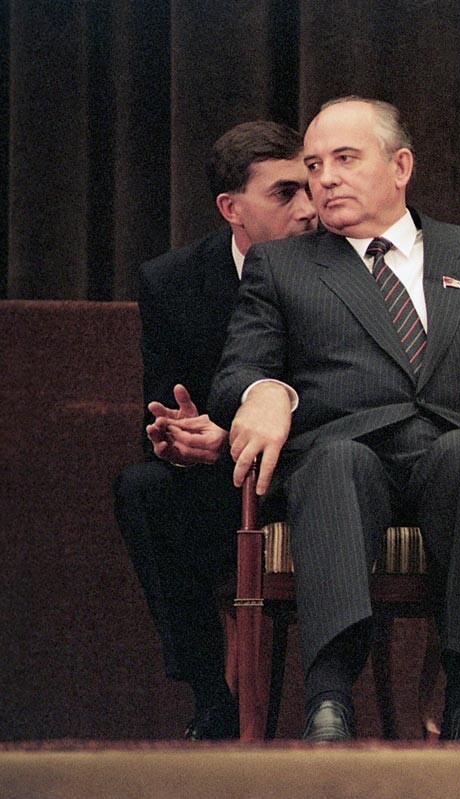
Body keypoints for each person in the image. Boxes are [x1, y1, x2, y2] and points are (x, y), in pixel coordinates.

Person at [206, 96, 460, 742]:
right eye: (315, 164)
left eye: (345, 158)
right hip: (343, 456)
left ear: (400, 166)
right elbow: (235, 372)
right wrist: (264, 391)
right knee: (337, 459)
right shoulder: (282, 266)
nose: (326, 177)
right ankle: (330, 698)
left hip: (456, 456)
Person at [113, 121, 316, 739]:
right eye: (286, 194)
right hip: (220, 478)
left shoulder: (343, 264)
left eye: (310, 188)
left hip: (313, 464)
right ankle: (212, 692)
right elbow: (163, 402)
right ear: (232, 208)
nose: (310, 210)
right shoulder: (171, 281)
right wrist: (180, 441)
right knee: (143, 488)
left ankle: (255, 647)